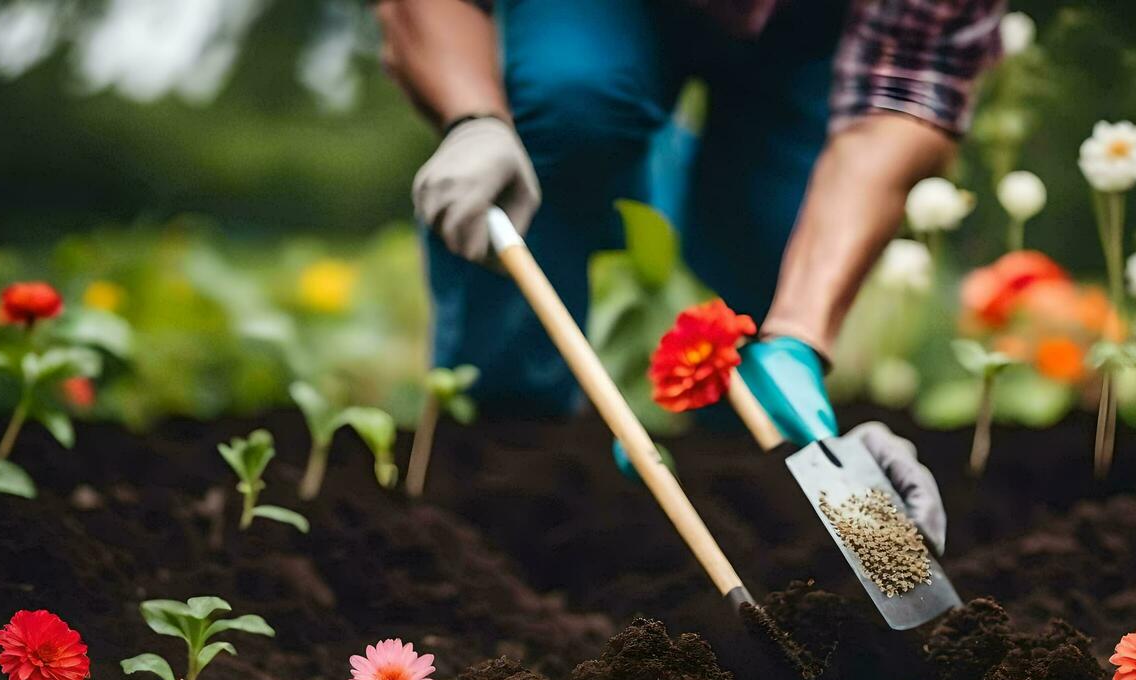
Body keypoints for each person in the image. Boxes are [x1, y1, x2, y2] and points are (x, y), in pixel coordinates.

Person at [375, 0, 1006, 552]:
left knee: (772, 235)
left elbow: (902, 100)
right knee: (569, 105)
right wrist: (474, 118)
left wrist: (796, 340)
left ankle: (760, 506)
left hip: (817, 32)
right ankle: (509, 452)